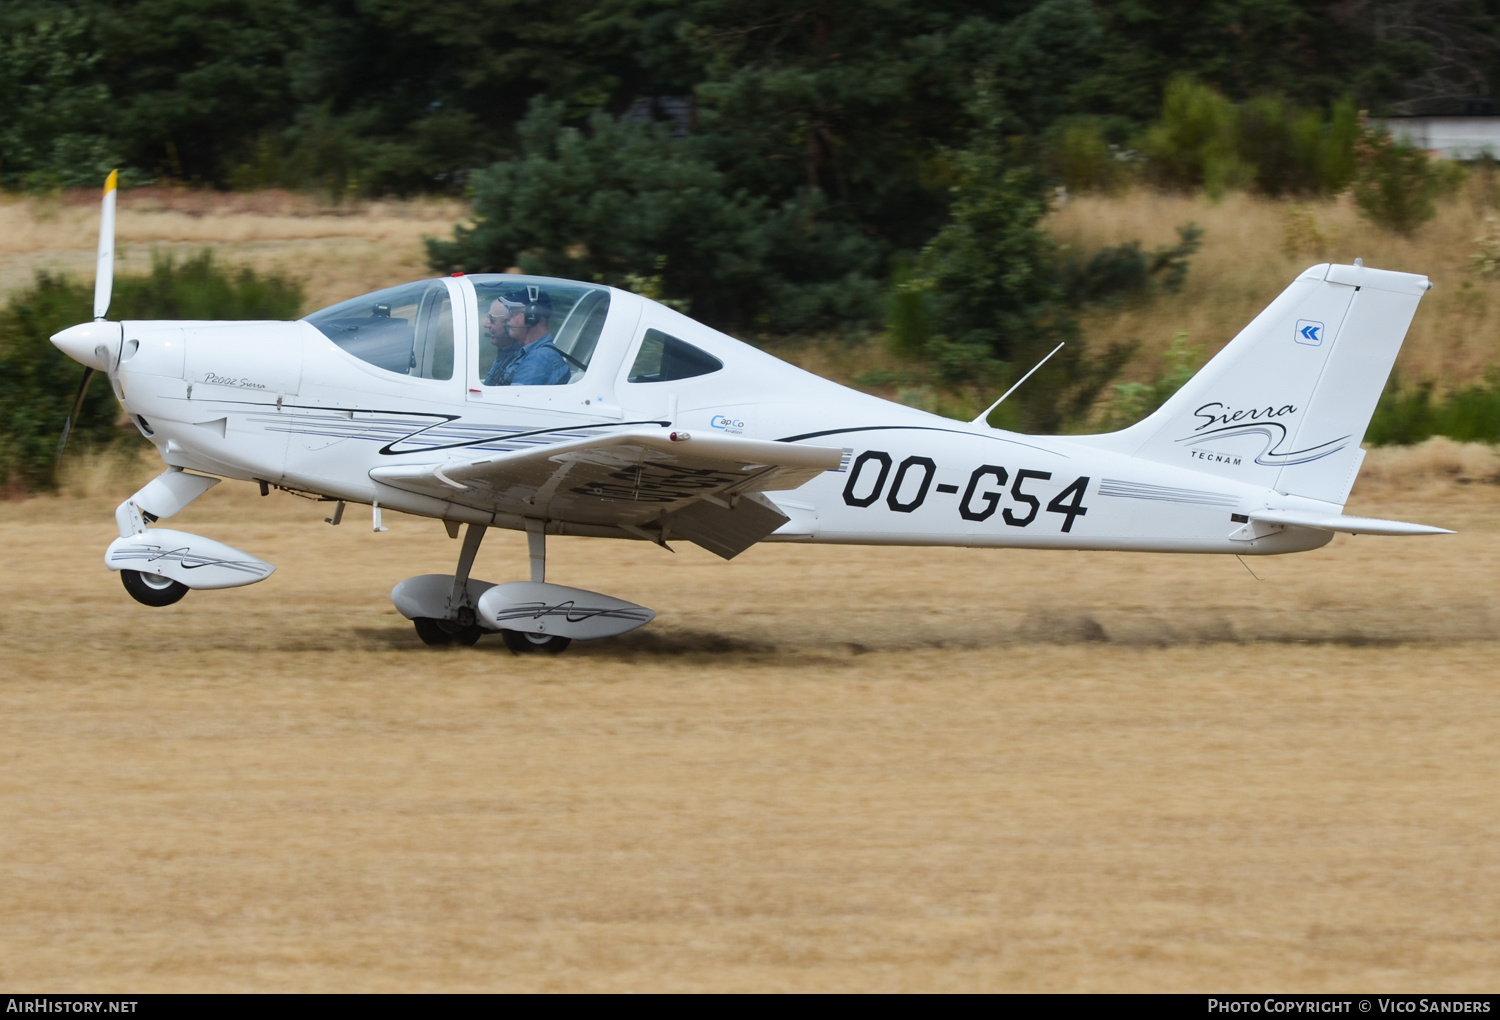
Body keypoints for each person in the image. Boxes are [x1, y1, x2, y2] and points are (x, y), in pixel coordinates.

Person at [489, 287, 570, 386]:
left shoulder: (540, 358)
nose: (507, 317)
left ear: (532, 316)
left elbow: (514, 399)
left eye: (513, 312)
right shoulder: (522, 353)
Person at [481, 297, 523, 385]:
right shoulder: (504, 353)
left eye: (492, 319)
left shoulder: (522, 361)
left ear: (508, 324)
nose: (486, 325)